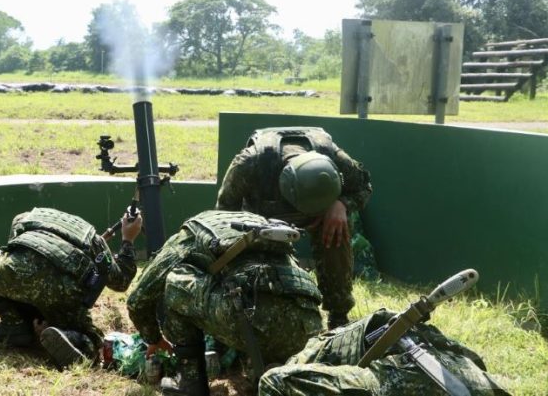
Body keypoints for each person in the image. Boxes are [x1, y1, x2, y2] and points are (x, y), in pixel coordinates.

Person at [127, 209, 324, 396]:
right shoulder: (264, 227)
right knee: (243, 293)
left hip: (251, 320)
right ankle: (272, 369)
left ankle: (190, 381)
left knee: (176, 282)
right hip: (308, 325)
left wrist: (153, 338)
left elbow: (138, 298)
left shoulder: (190, 234)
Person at [216, 127, 372, 329]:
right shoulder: (249, 164)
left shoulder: (334, 156)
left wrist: (341, 204)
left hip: (323, 216)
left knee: (337, 230)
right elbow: (223, 214)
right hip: (260, 221)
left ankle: (339, 313)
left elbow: (363, 186)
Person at [0, 207, 142, 368]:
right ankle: (77, 339)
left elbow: (13, 251)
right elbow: (121, 281)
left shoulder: (25, 220)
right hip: (66, 295)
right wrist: (128, 240)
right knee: (93, 339)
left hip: (22, 275)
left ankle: (15, 324)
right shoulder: (94, 240)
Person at [258, 309, 510, 396]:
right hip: (474, 380)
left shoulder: (314, 355)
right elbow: (472, 359)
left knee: (273, 381)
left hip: (414, 374)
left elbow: (275, 380)